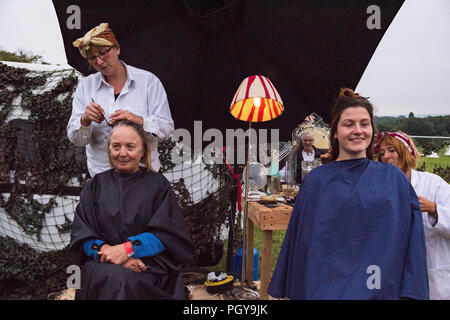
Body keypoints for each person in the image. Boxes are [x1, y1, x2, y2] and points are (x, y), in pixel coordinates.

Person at [268, 88, 429, 300]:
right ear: (335, 132)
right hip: (324, 291)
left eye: (364, 123)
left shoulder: (393, 179)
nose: (358, 130)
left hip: (379, 289)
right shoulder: (316, 181)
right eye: (348, 124)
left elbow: (412, 243)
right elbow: (301, 246)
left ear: (372, 129)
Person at [69, 120, 194, 299]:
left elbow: (167, 234)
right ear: (109, 149)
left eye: (130, 147)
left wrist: (129, 249)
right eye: (116, 146)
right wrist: (111, 254)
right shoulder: (95, 186)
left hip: (148, 265)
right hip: (102, 262)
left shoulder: (158, 185)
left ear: (143, 150)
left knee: (125, 281)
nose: (122, 153)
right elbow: (83, 235)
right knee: (118, 279)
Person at [67, 23, 174, 177]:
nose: (99, 62)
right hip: (101, 177)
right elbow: (77, 140)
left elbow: (166, 128)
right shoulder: (86, 86)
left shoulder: (148, 82)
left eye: (103, 53)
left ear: (116, 48)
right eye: (92, 58)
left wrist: (139, 120)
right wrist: (85, 120)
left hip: (144, 176)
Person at [375, 131, 450, 299]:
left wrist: (434, 209)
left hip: (435, 277)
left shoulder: (434, 184)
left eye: (391, 150)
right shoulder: (378, 189)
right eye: (381, 153)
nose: (386, 156)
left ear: (406, 152)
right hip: (395, 276)